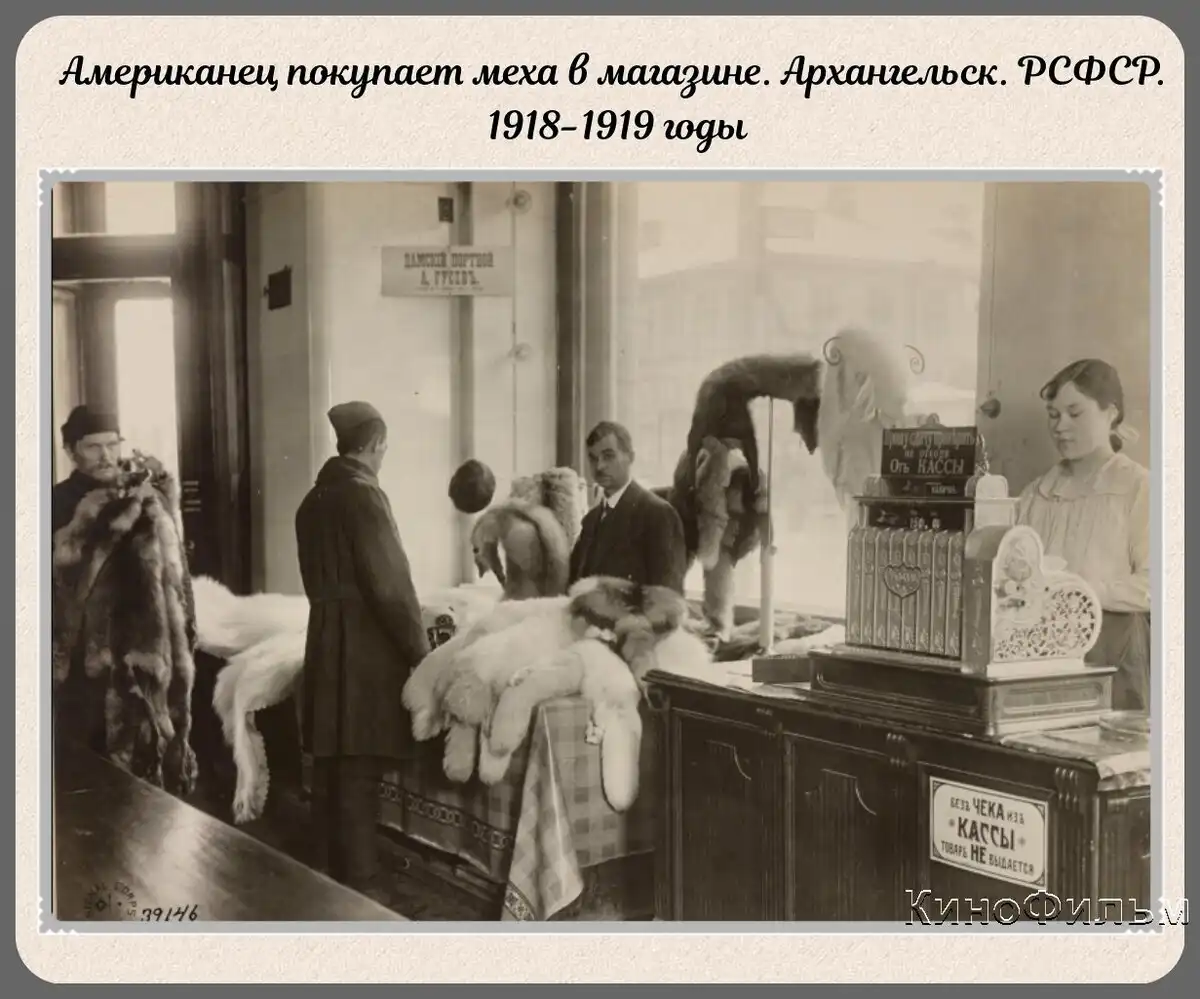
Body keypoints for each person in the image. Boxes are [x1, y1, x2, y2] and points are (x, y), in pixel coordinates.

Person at [294, 401, 430, 902]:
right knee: (358, 769)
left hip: (325, 640)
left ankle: (322, 874)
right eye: (384, 446)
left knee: (331, 765)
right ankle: (362, 884)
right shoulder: (365, 495)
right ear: (374, 443)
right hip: (364, 648)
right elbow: (390, 586)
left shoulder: (312, 501)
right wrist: (419, 651)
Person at [1015, 359, 1151, 712]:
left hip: (1114, 656)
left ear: (1110, 414)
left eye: (1075, 413)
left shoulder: (1139, 488)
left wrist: (1080, 591)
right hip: (1040, 657)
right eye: (1053, 415)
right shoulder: (1036, 494)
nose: (1060, 426)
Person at [568, 420, 687, 593]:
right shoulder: (591, 520)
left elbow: (668, 598)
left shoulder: (658, 515)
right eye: (593, 458)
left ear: (630, 457)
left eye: (609, 456)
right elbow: (572, 586)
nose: (599, 466)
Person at [52, 405, 124, 534]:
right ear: (70, 451)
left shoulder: (138, 496)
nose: (106, 456)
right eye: (93, 447)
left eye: (112, 445)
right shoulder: (52, 503)